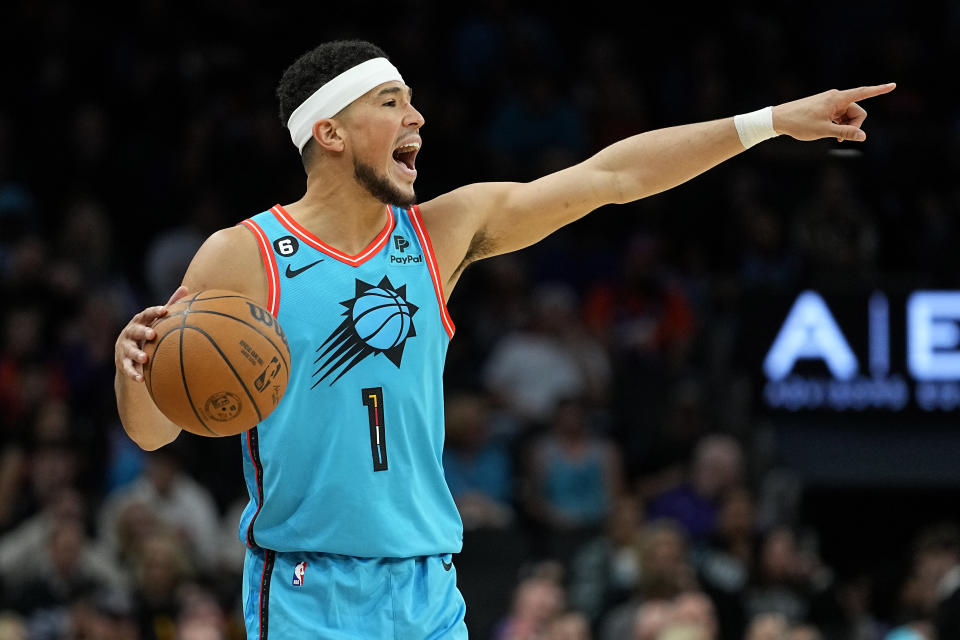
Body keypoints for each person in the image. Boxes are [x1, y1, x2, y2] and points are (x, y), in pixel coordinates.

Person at [113, 38, 895, 638]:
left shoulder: (441, 233)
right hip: (307, 584)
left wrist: (765, 124)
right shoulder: (242, 255)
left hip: (426, 586)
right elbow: (153, 430)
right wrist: (134, 370)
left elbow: (613, 178)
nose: (416, 118)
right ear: (331, 131)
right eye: (392, 102)